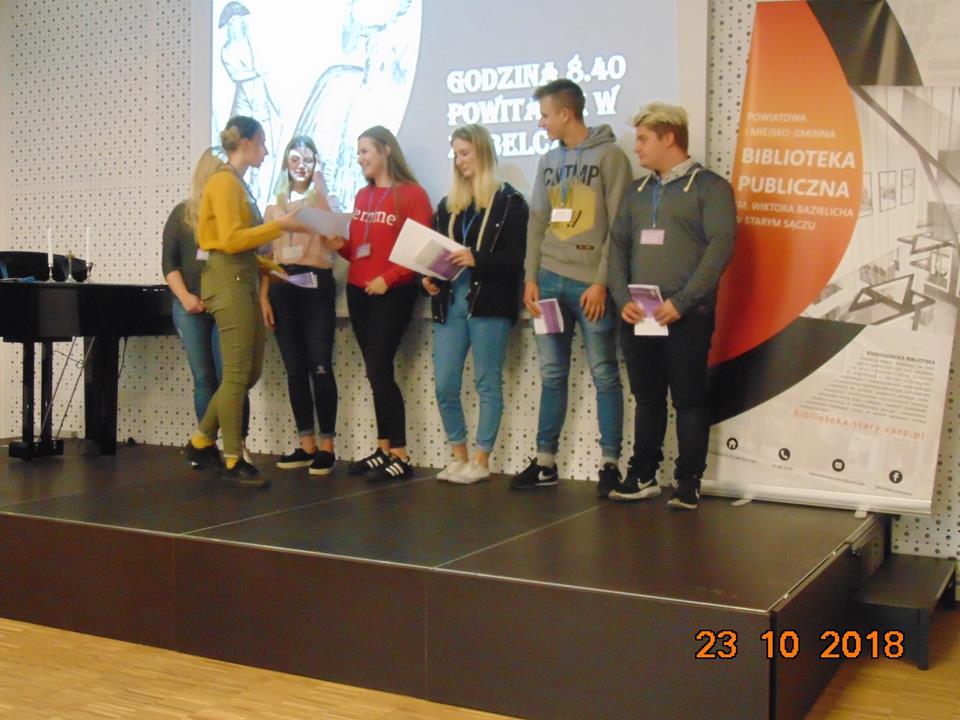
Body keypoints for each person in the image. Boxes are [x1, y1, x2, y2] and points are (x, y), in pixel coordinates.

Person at [607, 102, 736, 510]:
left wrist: (682, 302)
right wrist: (622, 299)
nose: (637, 148)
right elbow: (617, 249)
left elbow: (720, 249)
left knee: (689, 399)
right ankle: (643, 474)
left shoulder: (710, 188)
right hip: (639, 315)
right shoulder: (636, 192)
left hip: (687, 316)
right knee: (647, 398)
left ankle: (688, 481)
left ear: (669, 138)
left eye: (644, 139)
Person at [510, 79, 633, 497]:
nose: (541, 122)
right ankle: (545, 462)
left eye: (545, 115)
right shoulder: (548, 160)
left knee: (604, 372)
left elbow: (619, 226)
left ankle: (610, 463)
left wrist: (601, 282)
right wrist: (530, 277)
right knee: (551, 373)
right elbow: (537, 221)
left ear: (566, 113)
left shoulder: (610, 157)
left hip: (589, 286)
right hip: (548, 282)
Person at [184, 116, 307, 487]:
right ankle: (233, 458)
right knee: (238, 374)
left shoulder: (236, 184)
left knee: (248, 373)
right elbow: (231, 239)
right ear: (246, 143)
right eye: (263, 142)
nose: (267, 151)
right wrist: (281, 225)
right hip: (228, 282)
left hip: (241, 278)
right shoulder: (224, 182)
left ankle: (201, 441)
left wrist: (267, 265)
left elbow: (236, 244)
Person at [423, 124, 529, 484]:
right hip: (451, 302)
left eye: (465, 153)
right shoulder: (447, 206)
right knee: (445, 383)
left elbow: (517, 260)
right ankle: (458, 454)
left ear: (483, 152)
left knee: (487, 382)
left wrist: (476, 259)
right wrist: (430, 279)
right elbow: (437, 255)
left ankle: (481, 459)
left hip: (489, 304)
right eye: (455, 154)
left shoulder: (510, 202)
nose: (459, 161)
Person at [326, 126, 432, 481]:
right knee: (375, 373)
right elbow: (359, 250)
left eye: (365, 151)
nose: (360, 158)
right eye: (357, 152)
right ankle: (383, 448)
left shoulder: (413, 194)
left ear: (386, 150)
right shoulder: (362, 196)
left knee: (380, 370)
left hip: (393, 292)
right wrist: (339, 246)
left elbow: (421, 251)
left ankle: (400, 454)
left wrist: (388, 278)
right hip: (359, 291)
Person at [261, 136, 340, 476]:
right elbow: (266, 257)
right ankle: (305, 444)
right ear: (285, 163)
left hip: (316, 284)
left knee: (320, 365)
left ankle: (327, 446)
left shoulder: (326, 200)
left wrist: (319, 187)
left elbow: (334, 236)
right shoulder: (273, 207)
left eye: (308, 159)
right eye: (295, 158)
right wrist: (264, 297)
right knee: (295, 369)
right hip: (282, 285)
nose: (301, 165)